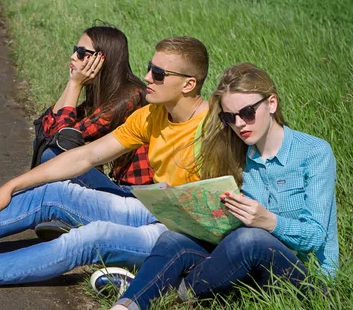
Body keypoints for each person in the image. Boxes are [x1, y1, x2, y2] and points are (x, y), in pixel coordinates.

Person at [0, 36, 210, 292]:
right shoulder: (152, 114)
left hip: (183, 233)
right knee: (51, 193)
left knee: (90, 238)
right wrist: (11, 186)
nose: (148, 76)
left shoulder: (213, 130)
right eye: (150, 68)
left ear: (189, 84)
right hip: (155, 206)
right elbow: (85, 155)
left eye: (159, 73)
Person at [111, 63, 339, 310]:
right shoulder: (236, 153)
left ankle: (169, 294)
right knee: (173, 238)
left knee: (249, 238)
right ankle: (126, 305)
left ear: (271, 104)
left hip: (307, 276)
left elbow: (316, 237)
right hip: (251, 268)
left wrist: (269, 221)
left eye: (248, 112)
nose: (240, 124)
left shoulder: (314, 152)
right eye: (230, 117)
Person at [32, 25, 153, 239]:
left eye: (81, 53)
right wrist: (72, 85)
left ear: (101, 60)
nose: (73, 57)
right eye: (74, 49)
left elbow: (63, 140)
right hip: (119, 191)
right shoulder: (106, 94)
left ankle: (69, 216)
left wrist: (75, 84)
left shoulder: (129, 96)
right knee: (49, 151)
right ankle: (65, 215)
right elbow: (46, 129)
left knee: (54, 155)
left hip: (136, 199)